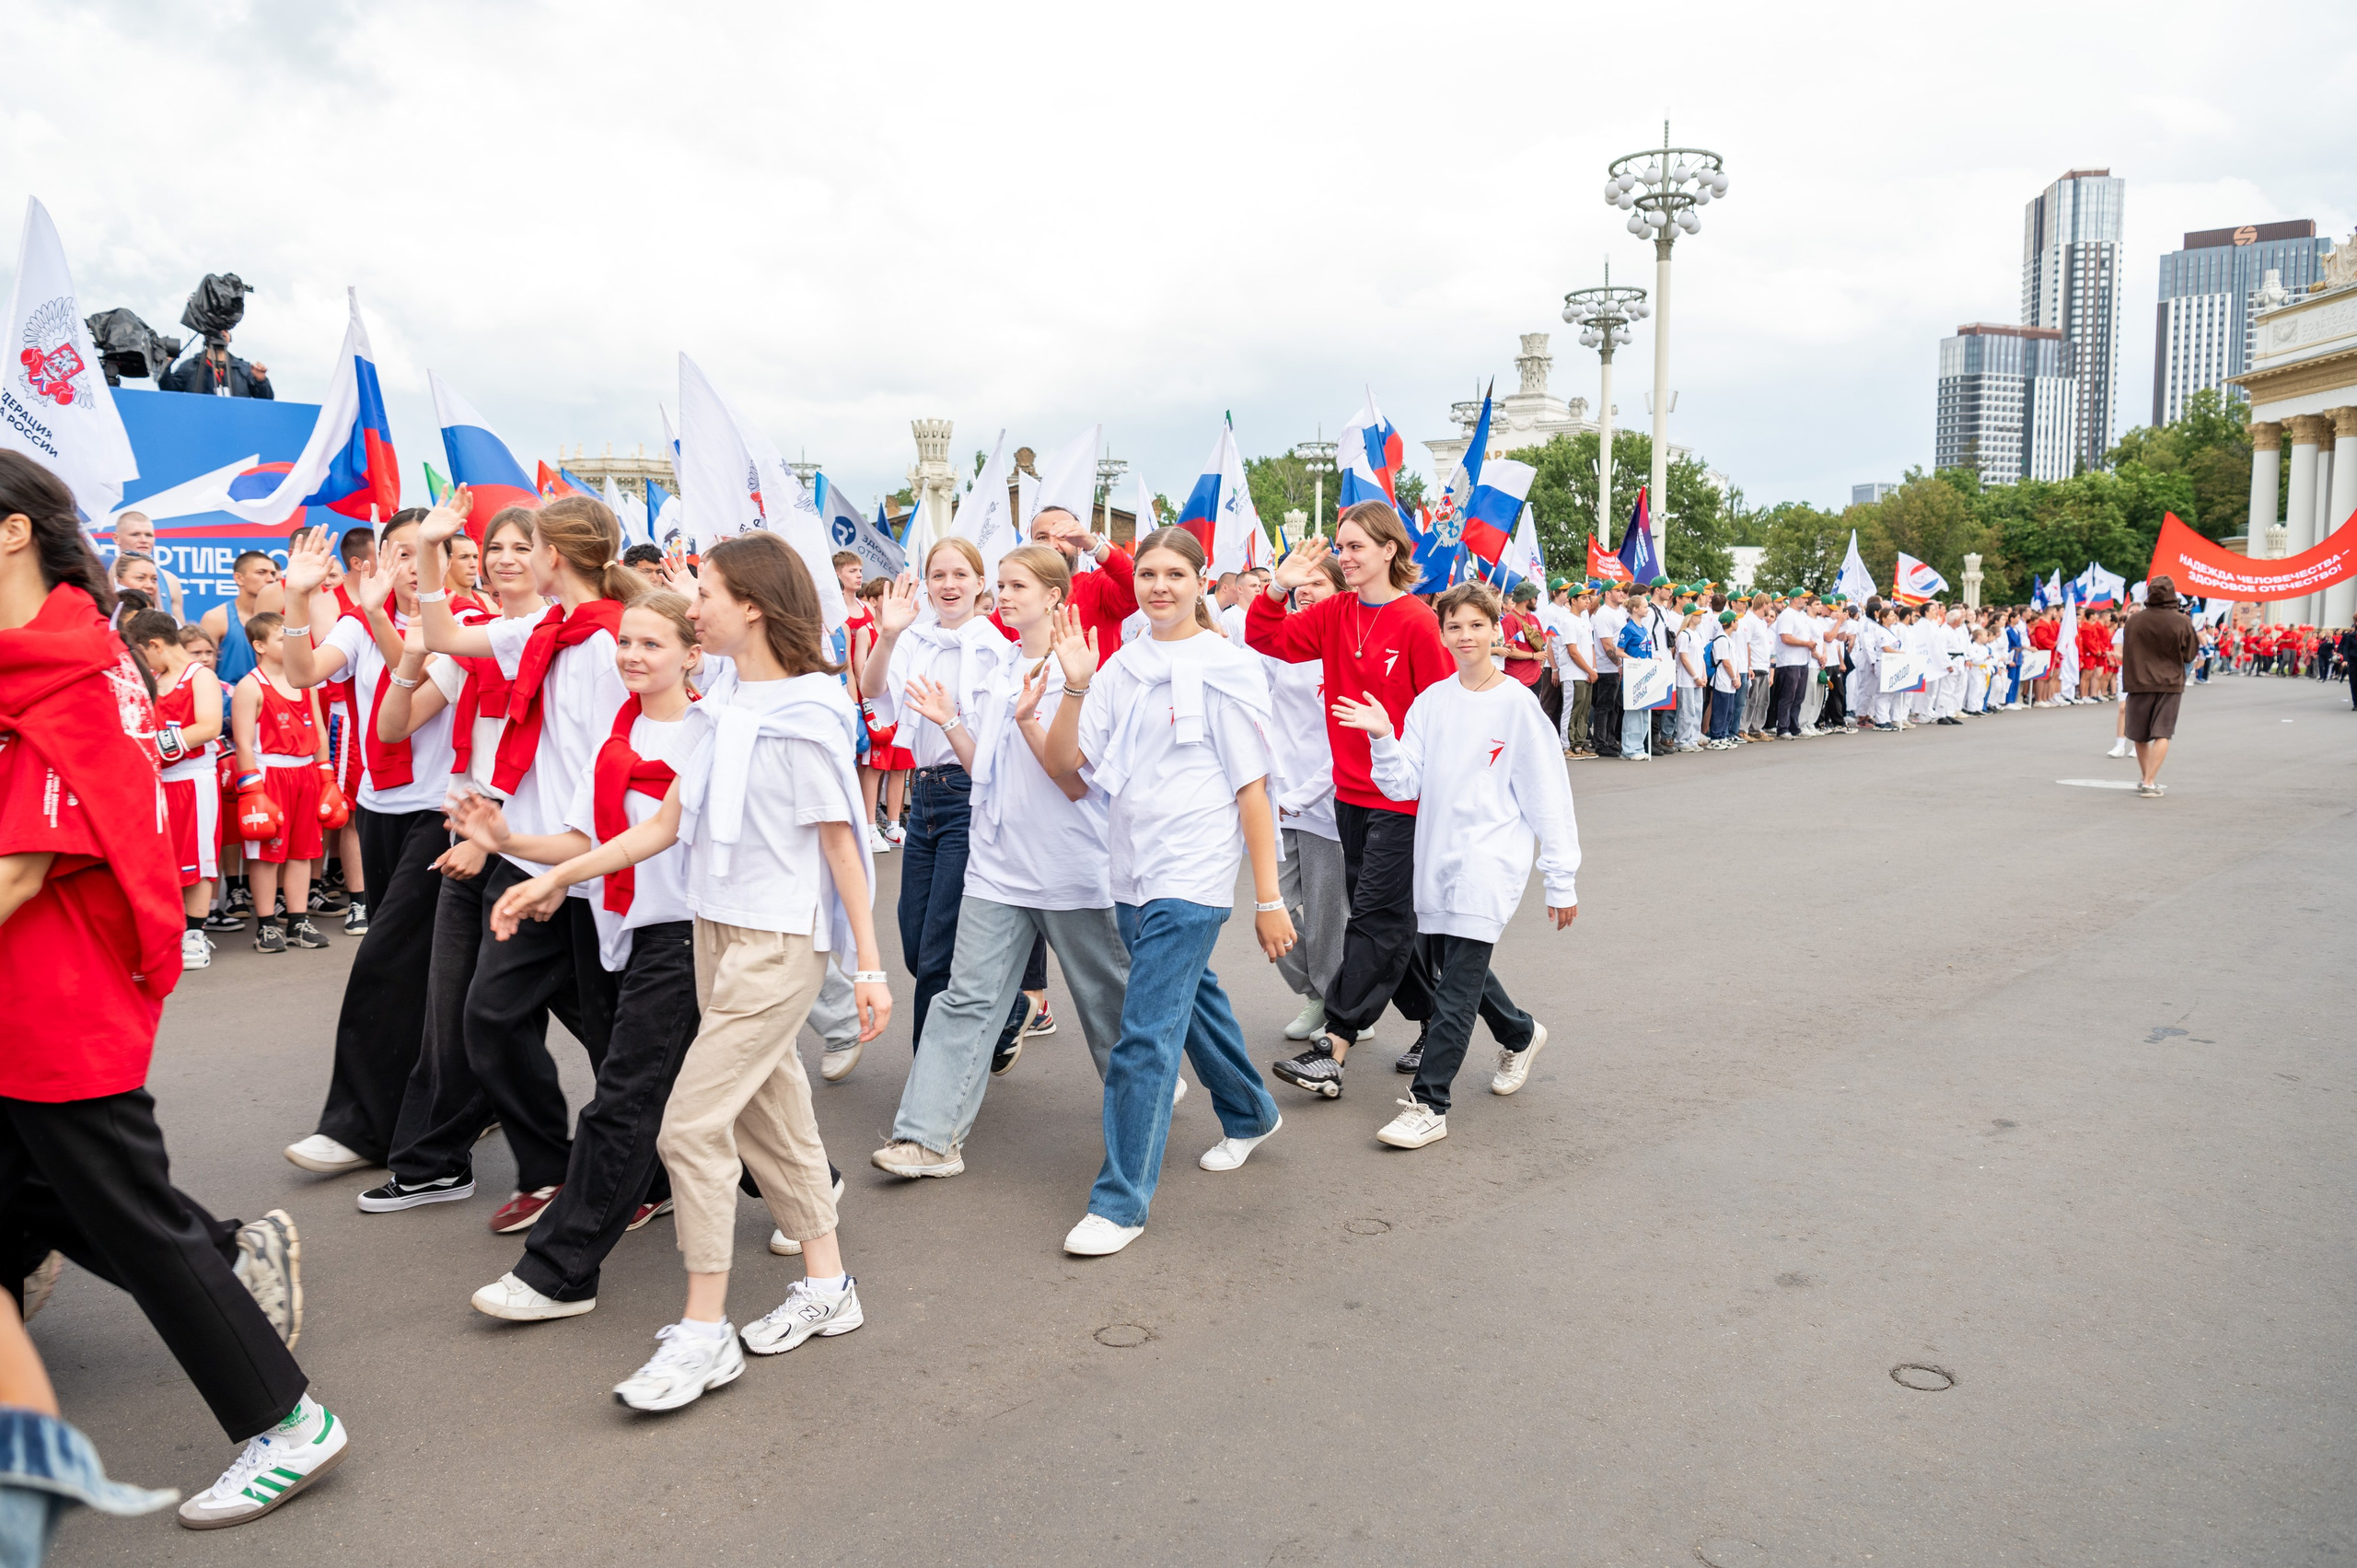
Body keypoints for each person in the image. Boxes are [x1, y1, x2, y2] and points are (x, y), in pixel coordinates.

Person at [0, 449, 342, 1531]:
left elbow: (23, 864)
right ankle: (225, 1256)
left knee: (135, 1219)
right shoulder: (28, 665)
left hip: (58, 1005)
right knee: (29, 1196)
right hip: (19, 1000)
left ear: (12, 531)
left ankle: (287, 1420)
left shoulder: (73, 678)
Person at [483, 529, 888, 1411]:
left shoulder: (809, 713)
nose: (689, 603)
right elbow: (664, 825)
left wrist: (870, 967)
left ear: (750, 604)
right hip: (713, 934)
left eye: (701, 590)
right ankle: (829, 1286)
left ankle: (704, 1332)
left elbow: (844, 849)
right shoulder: (729, 701)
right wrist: (553, 875)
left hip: (777, 945)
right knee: (769, 1118)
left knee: (691, 1129)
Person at [447, 592, 705, 1320]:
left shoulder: (712, 735)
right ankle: (814, 1197)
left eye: (652, 644)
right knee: (714, 1094)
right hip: (622, 928)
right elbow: (582, 841)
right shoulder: (612, 740)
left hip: (690, 934)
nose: (630, 654)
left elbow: (656, 833)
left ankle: (558, 1272)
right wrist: (512, 847)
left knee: (622, 1098)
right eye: (626, 640)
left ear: (692, 654)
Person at [391, 491, 636, 1234]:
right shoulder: (541, 631)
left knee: (627, 1040)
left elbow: (609, 768)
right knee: (494, 1016)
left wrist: (563, 863)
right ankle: (551, 1168)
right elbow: (440, 631)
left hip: (587, 868)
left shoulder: (607, 641)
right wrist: (433, 550)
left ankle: (782, 1177)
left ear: (554, 556)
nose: (509, 559)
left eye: (527, 546)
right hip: (538, 863)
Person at [1044, 527, 1291, 1256]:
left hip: (1196, 869)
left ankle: (1120, 1202)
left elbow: (1254, 790)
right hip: (1131, 865)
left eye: (1174, 573)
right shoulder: (1120, 667)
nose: (1157, 585)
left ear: (1198, 579)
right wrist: (1076, 682)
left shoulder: (1226, 667)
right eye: (1147, 572)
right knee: (1189, 1001)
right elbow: (1067, 766)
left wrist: (1269, 898)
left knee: (1143, 1034)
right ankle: (1249, 1111)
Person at [869, 544, 1133, 1179]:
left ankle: (1144, 1090)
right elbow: (978, 762)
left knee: (1107, 1000)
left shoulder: (1088, 672)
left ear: (1054, 596)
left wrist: (1043, 712)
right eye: (1004, 586)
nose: (1004, 596)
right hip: (996, 861)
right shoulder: (1001, 665)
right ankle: (928, 1138)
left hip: (1067, 865)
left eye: (1017, 586)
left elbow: (1074, 782)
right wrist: (952, 719)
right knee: (964, 997)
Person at [1333, 581, 1577, 1148]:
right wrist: (1382, 739)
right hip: (1436, 856)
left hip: (1490, 861)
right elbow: (1403, 781)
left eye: (1476, 625)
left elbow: (1548, 797)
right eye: (1454, 627)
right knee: (1451, 964)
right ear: (1442, 634)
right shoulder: (1432, 702)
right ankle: (1520, 1033)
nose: (1466, 636)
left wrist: (1560, 878)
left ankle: (1429, 1102)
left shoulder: (1517, 707)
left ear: (1498, 630)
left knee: (1456, 984)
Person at [277, 515, 468, 1177]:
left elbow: (412, 686)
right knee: (430, 972)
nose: (415, 565)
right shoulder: (363, 619)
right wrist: (298, 596)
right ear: (381, 557)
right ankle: (474, 1098)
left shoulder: (461, 619)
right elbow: (301, 672)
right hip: (379, 808)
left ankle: (359, 1125)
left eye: (430, 551)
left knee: (383, 964)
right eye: (403, 553)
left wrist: (378, 619)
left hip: (443, 812)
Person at [1247, 503, 1453, 1096]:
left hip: (1403, 796)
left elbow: (1440, 714)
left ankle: (1334, 1043)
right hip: (1350, 797)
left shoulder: (1415, 620)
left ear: (1390, 549)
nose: (1346, 556)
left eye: (1358, 546)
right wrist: (1277, 590)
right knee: (1394, 924)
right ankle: (1460, 1019)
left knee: (1374, 918)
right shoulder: (1336, 610)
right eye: (1341, 546)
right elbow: (1270, 640)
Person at [861, 537, 1013, 1053]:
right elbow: (873, 687)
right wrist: (887, 634)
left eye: (959, 575)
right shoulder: (914, 639)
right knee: (914, 938)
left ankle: (930, 1073)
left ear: (979, 584)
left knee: (938, 946)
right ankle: (1007, 1002)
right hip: (922, 797)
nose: (949, 585)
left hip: (969, 795)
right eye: (938, 576)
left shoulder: (998, 650)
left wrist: (951, 720)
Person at [1264, 555, 1348, 1041]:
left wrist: (1301, 797)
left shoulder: (1345, 647)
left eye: (1317, 582)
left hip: (1324, 807)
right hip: (1278, 803)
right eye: (1299, 582)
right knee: (1269, 902)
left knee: (1325, 915)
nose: (1304, 590)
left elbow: (1345, 744)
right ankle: (1320, 991)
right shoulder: (1283, 646)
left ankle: (1336, 1007)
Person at [226, 613, 340, 954]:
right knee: (265, 855)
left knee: (302, 852)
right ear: (259, 646)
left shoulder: (305, 679)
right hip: (269, 773)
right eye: (281, 638)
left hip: (305, 774)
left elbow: (319, 731)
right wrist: (252, 790)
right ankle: (265, 925)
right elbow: (243, 742)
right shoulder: (250, 685)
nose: (291, 643)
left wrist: (326, 777)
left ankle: (297, 920)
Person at [124, 610, 226, 971]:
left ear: (154, 644)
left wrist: (153, 743)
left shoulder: (200, 675)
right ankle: (165, 933)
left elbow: (209, 726)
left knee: (196, 859)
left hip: (193, 778)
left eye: (138, 650)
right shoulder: (153, 677)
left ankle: (195, 935)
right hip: (157, 782)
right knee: (160, 859)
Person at [1027, 505, 1138, 668]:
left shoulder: (1098, 585)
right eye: (1042, 537)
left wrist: (1094, 545)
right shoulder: (1017, 595)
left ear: (1080, 547)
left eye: (1063, 537)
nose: (1052, 545)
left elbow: (1138, 584)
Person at [2120, 575, 2198, 798]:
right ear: (2173, 594)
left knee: (2140, 734)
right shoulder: (2181, 621)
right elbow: (2190, 654)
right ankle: (2150, 781)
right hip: (2170, 682)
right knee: (2162, 732)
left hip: (2138, 681)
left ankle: (2146, 777)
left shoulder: (2134, 620)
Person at [846, 575, 907, 853]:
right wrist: (867, 706)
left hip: (901, 708)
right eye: (887, 596)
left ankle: (894, 825)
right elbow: (860, 670)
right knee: (873, 768)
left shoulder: (905, 632)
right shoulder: (866, 632)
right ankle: (869, 827)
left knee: (899, 767)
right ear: (873, 601)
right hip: (876, 708)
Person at [200, 550, 283, 686]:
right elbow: (203, 675)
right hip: (229, 703)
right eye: (261, 573)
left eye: (273, 574)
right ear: (239, 578)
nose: (271, 579)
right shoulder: (215, 618)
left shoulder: (284, 618)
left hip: (275, 701)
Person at [106, 513, 185, 621]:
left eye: (148, 535)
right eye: (135, 534)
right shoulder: (102, 576)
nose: (143, 540)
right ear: (116, 538)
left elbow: (180, 633)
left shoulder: (170, 581)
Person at [157, 335, 273, 399]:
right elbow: (168, 391)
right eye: (217, 331)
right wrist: (165, 366)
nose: (221, 333)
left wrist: (261, 381)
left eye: (226, 330)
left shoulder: (244, 368)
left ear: (230, 337)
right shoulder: (190, 367)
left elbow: (266, 399)